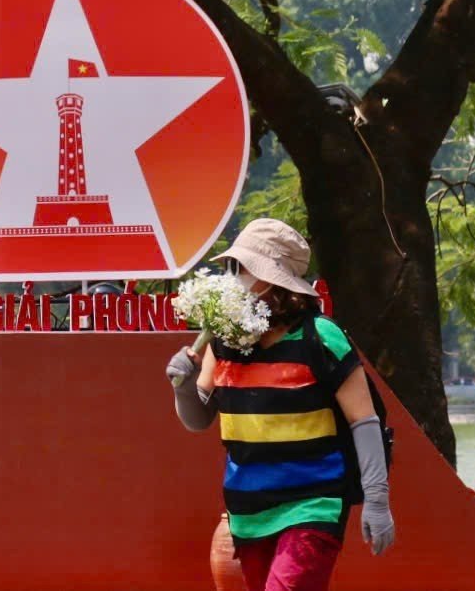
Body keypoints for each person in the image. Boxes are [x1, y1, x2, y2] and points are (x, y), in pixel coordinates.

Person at [166, 219, 395, 591]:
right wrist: (183, 386)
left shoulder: (321, 338)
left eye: (243, 268)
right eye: (232, 268)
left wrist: (377, 500)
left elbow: (363, 421)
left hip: (312, 506)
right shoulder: (221, 341)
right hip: (248, 514)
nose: (234, 278)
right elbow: (198, 419)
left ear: (274, 282)